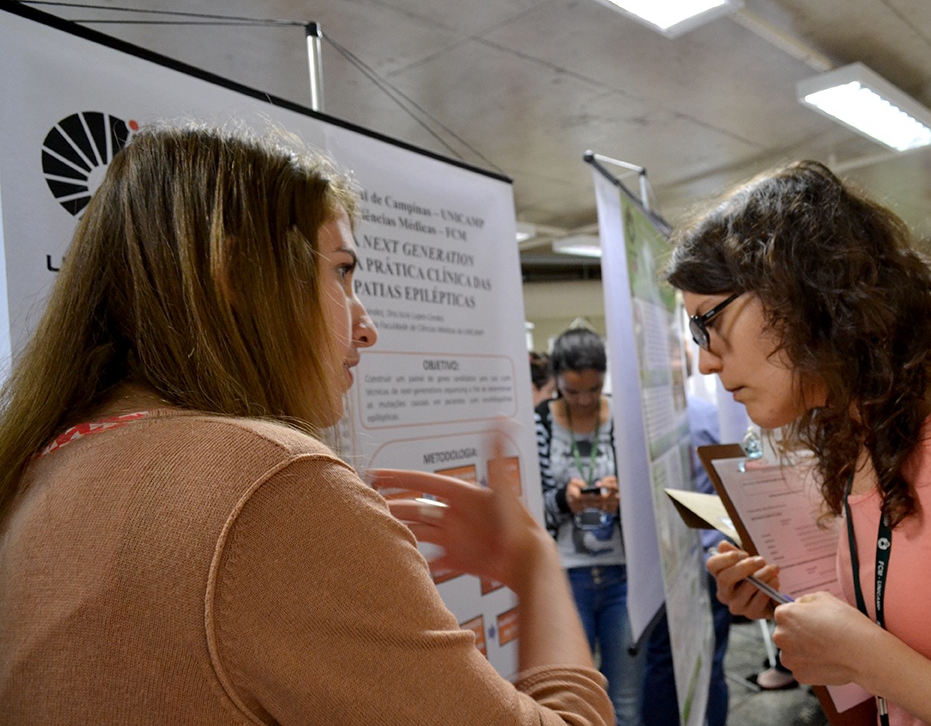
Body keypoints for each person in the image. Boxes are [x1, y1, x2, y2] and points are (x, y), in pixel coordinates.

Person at [0, 123, 614, 726]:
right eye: (342, 272)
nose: (366, 326)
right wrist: (534, 566)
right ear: (236, 276)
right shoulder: (270, 486)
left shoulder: (44, 465)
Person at [664, 160, 931, 726]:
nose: (703, 361)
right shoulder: (864, 437)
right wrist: (803, 615)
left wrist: (873, 663)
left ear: (800, 294)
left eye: (708, 323)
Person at [535, 327, 642, 726]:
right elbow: (532, 509)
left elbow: (648, 502)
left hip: (622, 576)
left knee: (627, 701)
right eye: (571, 391)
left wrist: (624, 497)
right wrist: (565, 499)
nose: (583, 401)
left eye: (594, 390)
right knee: (573, 699)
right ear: (556, 381)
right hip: (564, 579)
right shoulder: (540, 422)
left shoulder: (622, 419)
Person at [641, 392, 733, 726]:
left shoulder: (647, 421)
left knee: (666, 662)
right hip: (712, 554)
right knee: (710, 659)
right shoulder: (710, 415)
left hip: (674, 561)